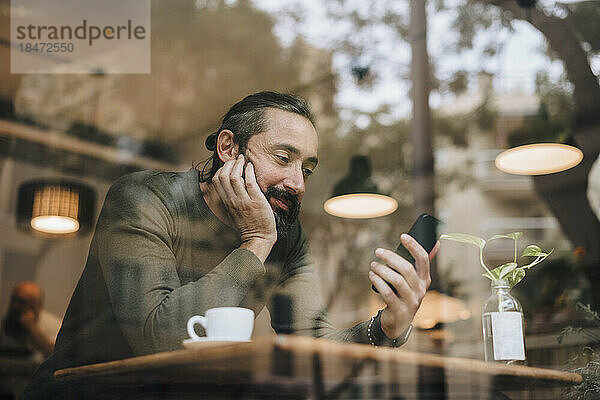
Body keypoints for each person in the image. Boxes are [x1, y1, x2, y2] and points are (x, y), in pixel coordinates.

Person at [23, 92, 438, 399]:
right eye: (282, 158)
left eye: (306, 169)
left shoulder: (287, 237)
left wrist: (385, 326)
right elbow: (160, 339)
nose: (297, 182)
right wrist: (255, 243)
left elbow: (312, 347)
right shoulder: (143, 199)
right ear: (228, 148)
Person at [0, 281, 60, 361]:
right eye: (13, 299)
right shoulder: (5, 322)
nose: (15, 306)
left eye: (22, 302)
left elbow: (56, 357)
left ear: (38, 305)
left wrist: (32, 329)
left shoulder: (54, 326)